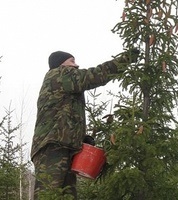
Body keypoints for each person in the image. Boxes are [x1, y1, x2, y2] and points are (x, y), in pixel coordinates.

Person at [30, 49, 139, 199]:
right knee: (48, 194)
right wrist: (126, 59)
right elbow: (95, 75)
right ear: (60, 64)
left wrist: (81, 138)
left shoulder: (65, 83)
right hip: (52, 146)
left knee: (67, 195)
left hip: (65, 146)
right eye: (72, 61)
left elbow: (65, 115)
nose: (77, 65)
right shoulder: (59, 75)